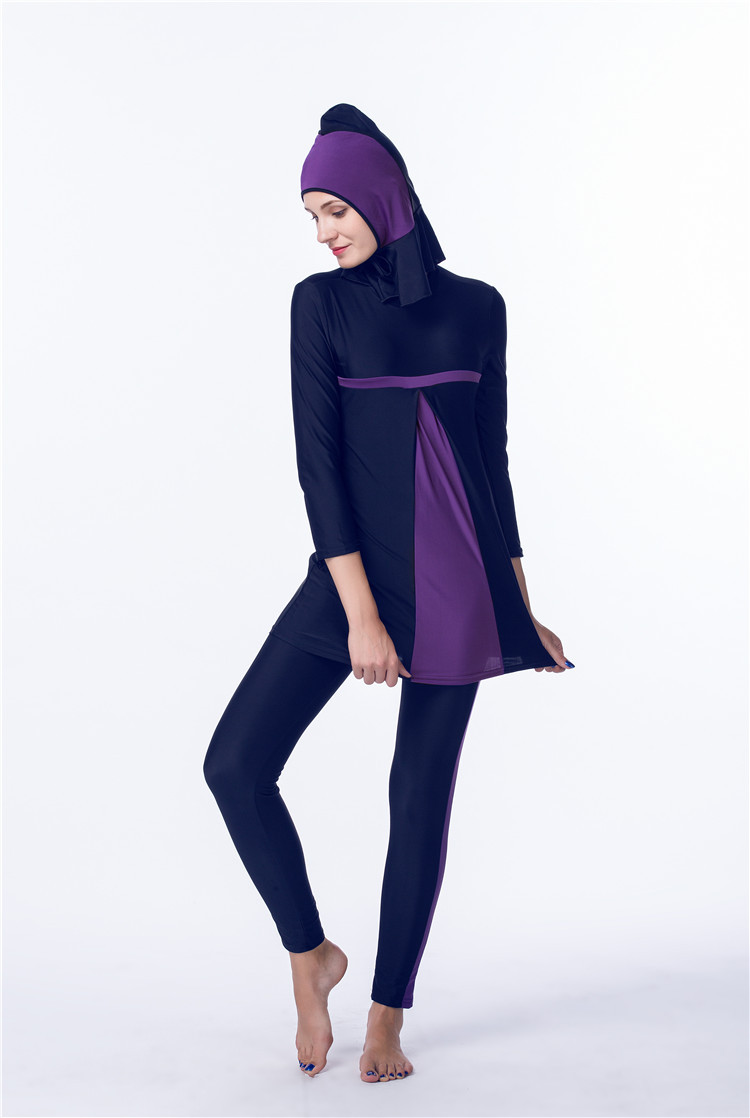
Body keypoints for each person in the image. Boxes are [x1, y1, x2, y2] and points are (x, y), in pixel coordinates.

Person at [203, 103, 575, 1084]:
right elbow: (318, 469)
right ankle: (310, 953)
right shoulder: (319, 306)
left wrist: (518, 603)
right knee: (235, 763)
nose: (324, 232)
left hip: (458, 590)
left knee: (417, 801)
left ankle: (386, 1015)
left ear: (385, 197)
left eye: (335, 209)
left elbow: (490, 467)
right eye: (312, 216)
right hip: (350, 584)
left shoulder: (478, 307)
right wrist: (361, 615)